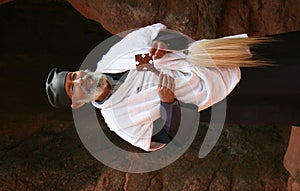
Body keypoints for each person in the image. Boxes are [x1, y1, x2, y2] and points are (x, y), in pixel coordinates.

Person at [45, 23, 300, 151]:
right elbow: (160, 141)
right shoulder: (118, 120)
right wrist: (168, 106)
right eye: (72, 88)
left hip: (215, 56)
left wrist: (165, 43)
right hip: (220, 98)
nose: (79, 80)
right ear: (77, 103)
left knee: (284, 51)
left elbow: (157, 33)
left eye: (73, 75)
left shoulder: (112, 59)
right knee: (285, 86)